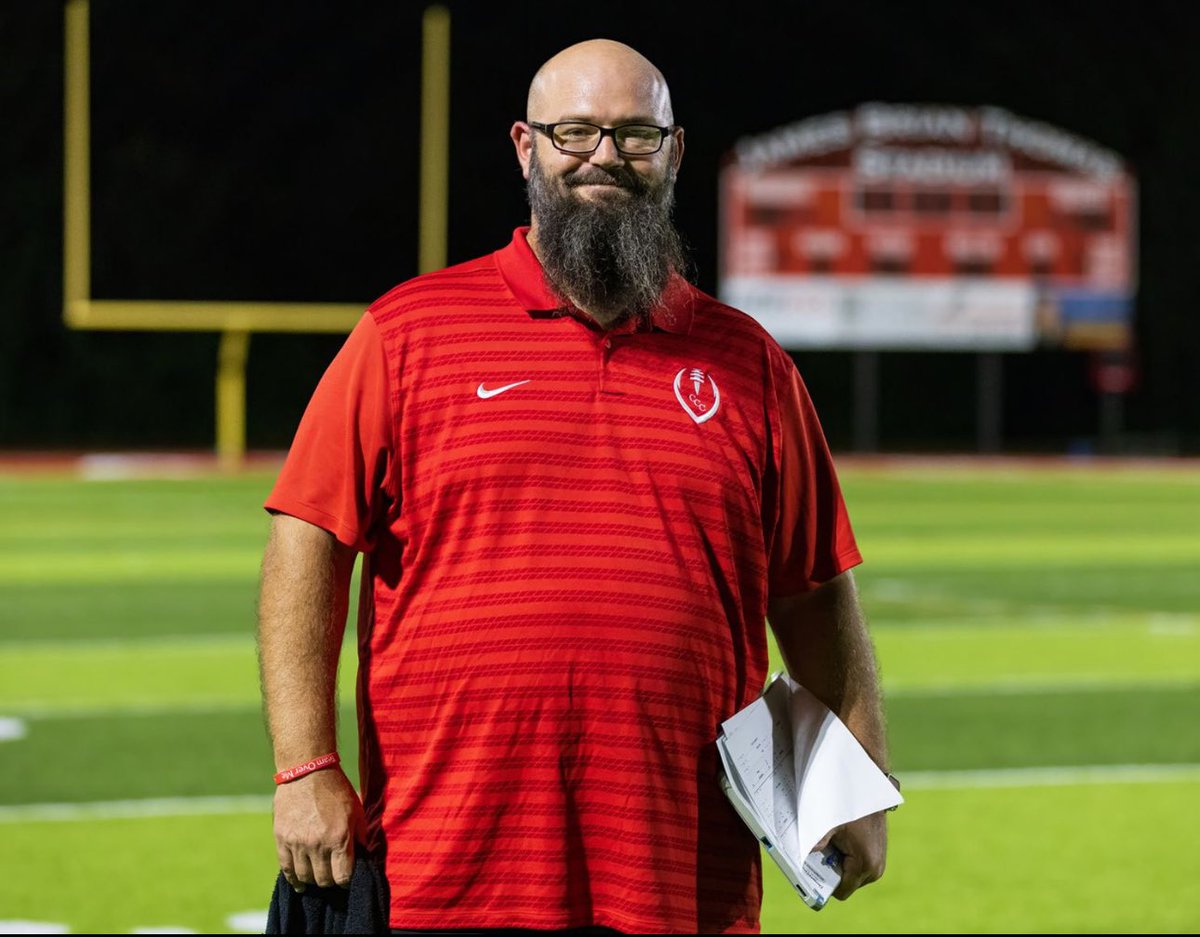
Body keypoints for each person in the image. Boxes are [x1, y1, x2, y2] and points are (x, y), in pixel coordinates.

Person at [257, 38, 892, 935]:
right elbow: (305, 536)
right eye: (576, 132)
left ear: (673, 152)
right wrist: (303, 765)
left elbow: (817, 586)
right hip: (449, 864)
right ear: (526, 148)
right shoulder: (408, 333)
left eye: (635, 135)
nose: (604, 156)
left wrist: (860, 769)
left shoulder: (750, 364)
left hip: (681, 869)